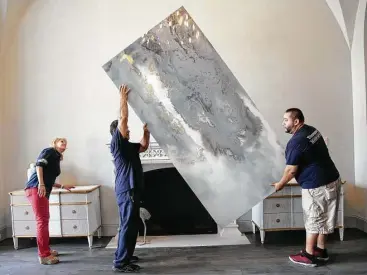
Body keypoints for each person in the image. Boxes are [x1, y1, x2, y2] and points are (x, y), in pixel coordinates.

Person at [272, 108, 341, 267]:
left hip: (316, 186)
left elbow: (291, 170)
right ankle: (321, 251)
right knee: (324, 218)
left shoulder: (296, 141)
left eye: (286, 120)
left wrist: (280, 184)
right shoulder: (312, 131)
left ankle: (309, 255)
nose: (283, 123)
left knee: (314, 219)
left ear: (296, 121)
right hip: (332, 179)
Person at [110, 84, 150, 273]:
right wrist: (123, 98)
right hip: (126, 190)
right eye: (125, 129)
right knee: (128, 224)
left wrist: (146, 132)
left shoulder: (128, 145)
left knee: (130, 224)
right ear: (118, 131)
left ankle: (125, 254)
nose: (128, 130)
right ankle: (120, 262)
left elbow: (143, 147)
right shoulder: (117, 143)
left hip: (132, 189)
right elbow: (123, 118)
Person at [25, 138, 74, 265]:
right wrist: (41, 184)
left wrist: (62, 186)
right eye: (61, 141)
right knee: (42, 221)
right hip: (36, 189)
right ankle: (44, 255)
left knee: (44, 221)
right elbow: (39, 165)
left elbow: (49, 178)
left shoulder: (56, 157)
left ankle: (46, 250)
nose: (64, 143)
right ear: (55, 143)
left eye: (65, 142)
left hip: (40, 189)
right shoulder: (49, 151)